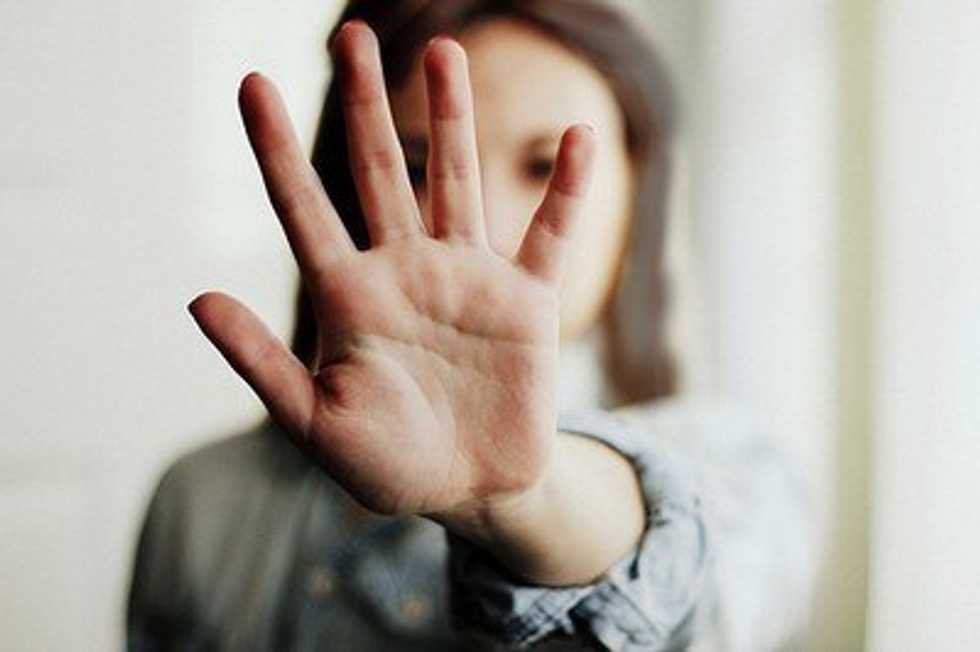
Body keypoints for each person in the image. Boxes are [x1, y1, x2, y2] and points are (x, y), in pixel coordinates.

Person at [126, 1, 816, 650]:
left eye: (544, 166)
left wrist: (520, 494)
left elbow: (685, 572)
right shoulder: (202, 500)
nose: (488, 231)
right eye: (417, 167)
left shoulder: (742, 475)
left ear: (639, 191)